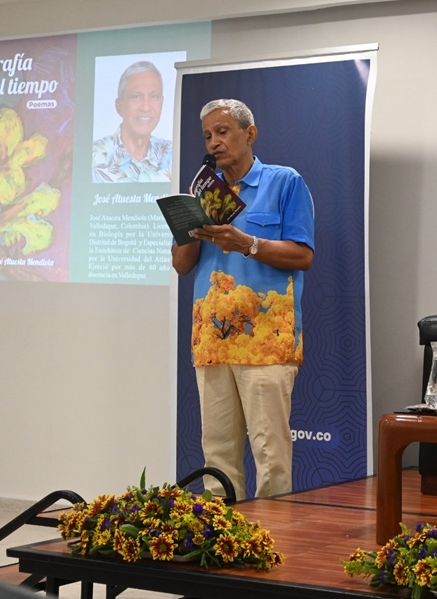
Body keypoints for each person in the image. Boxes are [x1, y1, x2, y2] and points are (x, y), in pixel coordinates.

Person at [172, 98, 315, 500]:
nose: (214, 143)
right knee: (217, 455)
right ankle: (223, 534)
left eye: (222, 132)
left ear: (249, 134)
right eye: (207, 136)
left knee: (270, 453)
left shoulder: (284, 182)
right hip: (212, 340)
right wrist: (190, 226)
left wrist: (247, 243)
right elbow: (182, 265)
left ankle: (275, 532)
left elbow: (303, 255)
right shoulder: (203, 193)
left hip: (265, 341)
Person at [92, 60, 172, 183]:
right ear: (119, 105)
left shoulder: (172, 154)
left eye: (154, 96)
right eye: (136, 96)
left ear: (162, 102)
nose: (146, 107)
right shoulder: (94, 156)